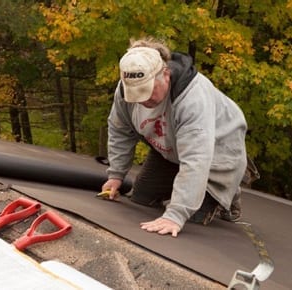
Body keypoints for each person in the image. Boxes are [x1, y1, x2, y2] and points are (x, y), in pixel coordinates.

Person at [101, 37, 248, 237]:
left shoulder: (192, 98)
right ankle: (189, 191)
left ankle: (225, 194)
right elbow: (120, 130)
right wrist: (116, 175)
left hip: (216, 154)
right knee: (141, 198)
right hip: (170, 148)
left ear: (166, 74)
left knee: (191, 217)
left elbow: (196, 158)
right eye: (137, 93)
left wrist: (176, 215)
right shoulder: (127, 86)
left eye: (148, 90)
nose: (143, 99)